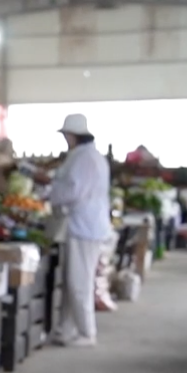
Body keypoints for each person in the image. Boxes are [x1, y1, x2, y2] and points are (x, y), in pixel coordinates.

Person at [46, 114, 115, 346]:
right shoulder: (88, 156)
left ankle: (87, 332)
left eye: (66, 135)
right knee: (71, 282)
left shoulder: (84, 159)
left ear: (73, 136)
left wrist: (52, 193)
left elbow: (73, 190)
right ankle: (66, 329)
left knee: (79, 283)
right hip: (84, 226)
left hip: (85, 227)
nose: (65, 139)